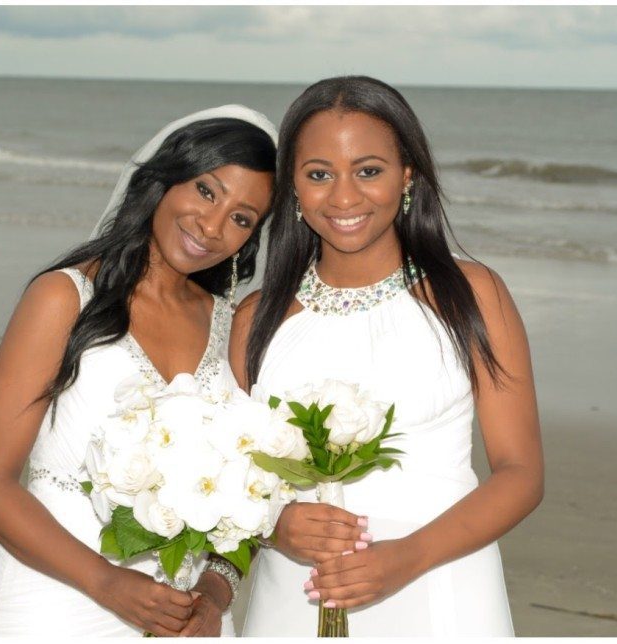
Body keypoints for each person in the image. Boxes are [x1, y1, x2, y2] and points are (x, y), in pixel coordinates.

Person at [231, 76, 543, 636]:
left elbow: (521, 474)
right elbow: (233, 478)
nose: (344, 197)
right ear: (292, 188)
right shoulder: (257, 319)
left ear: (408, 176)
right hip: (295, 594)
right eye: (319, 174)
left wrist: (408, 557)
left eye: (368, 171)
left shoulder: (470, 295)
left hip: (441, 582)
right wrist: (274, 528)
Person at [0, 105, 277, 636]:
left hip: (183, 618)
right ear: (164, 181)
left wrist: (214, 592)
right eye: (206, 191)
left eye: (242, 218)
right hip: (56, 601)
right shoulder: (64, 298)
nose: (213, 225)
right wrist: (105, 582)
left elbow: (248, 497)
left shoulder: (230, 326)